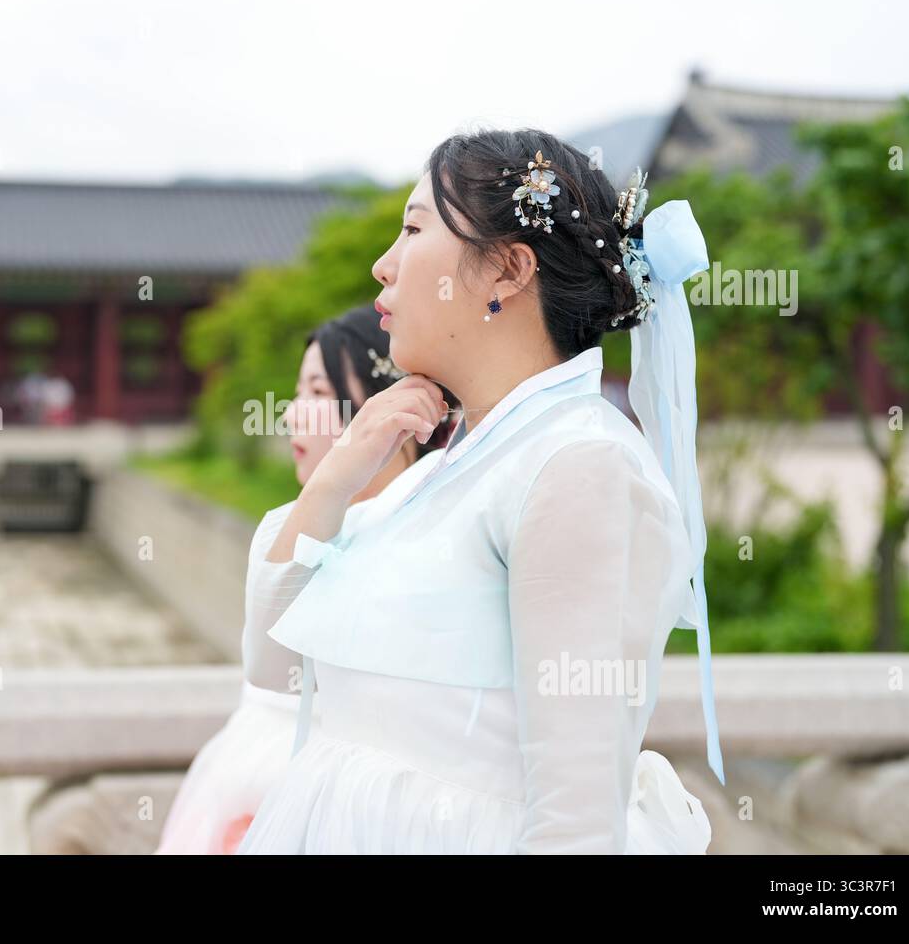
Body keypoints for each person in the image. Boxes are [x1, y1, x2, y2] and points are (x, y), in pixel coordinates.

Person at [237, 129, 723, 854]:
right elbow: (274, 668)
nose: (383, 265)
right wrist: (344, 466)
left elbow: (575, 817)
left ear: (506, 269)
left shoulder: (577, 465)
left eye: (411, 229)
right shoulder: (447, 468)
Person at [154, 304, 457, 854]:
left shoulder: (427, 527)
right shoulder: (310, 520)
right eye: (299, 394)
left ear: (394, 405)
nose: (293, 415)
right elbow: (267, 665)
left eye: (317, 394)